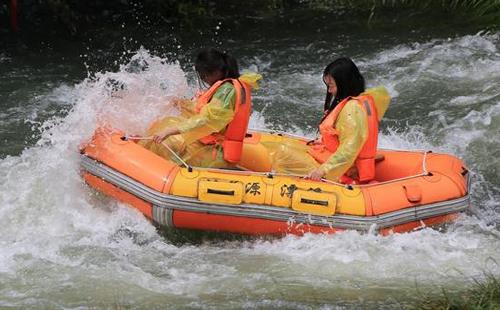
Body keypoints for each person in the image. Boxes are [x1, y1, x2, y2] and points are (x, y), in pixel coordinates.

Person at [139, 48, 261, 168]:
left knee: (170, 142)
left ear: (216, 71)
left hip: (216, 153)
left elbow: (207, 119)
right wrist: (181, 103)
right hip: (212, 145)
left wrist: (170, 131)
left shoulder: (227, 91)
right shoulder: (229, 86)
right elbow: (203, 111)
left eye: (204, 75)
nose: (203, 79)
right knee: (166, 125)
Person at [305, 57, 390, 183]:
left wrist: (322, 170)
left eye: (331, 86)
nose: (329, 90)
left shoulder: (352, 110)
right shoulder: (363, 100)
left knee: (284, 154)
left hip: (347, 173)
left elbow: (348, 151)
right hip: (349, 166)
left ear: (344, 84)